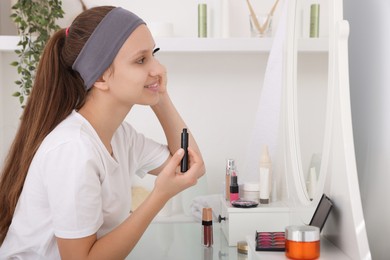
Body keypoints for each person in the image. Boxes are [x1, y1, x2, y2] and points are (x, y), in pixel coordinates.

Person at [0, 6, 205, 259]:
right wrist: (159, 195)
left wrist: (160, 96)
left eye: (154, 55)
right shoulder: (73, 149)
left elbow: (190, 165)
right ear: (101, 77)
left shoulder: (121, 137)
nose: (159, 69)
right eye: (141, 60)